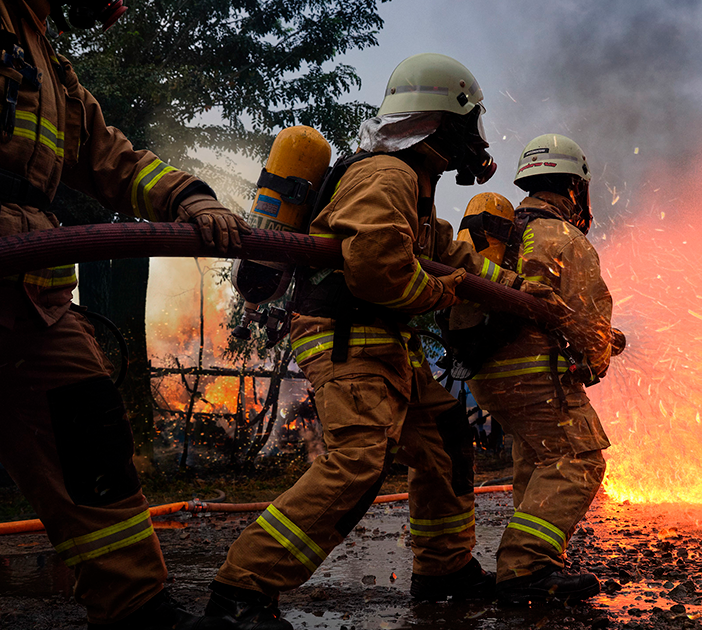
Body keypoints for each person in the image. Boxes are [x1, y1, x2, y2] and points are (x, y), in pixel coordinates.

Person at [0, 1, 248, 628]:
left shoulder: (38, 51)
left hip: (30, 301)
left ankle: (137, 607)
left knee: (93, 449)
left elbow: (109, 156)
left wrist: (188, 195)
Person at [204, 53, 562, 627]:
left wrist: (522, 290)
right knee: (358, 463)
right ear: (443, 122)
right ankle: (242, 590)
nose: (474, 139)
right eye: (468, 123)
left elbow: (454, 255)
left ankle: (443, 569)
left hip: (383, 338)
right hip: (347, 336)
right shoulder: (385, 175)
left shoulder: (412, 183)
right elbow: (377, 269)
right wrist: (445, 293)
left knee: (444, 434)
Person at [465, 133, 614, 605]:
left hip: (487, 371)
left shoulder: (501, 231)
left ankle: (530, 561)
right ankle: (526, 569)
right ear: (574, 187)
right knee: (579, 457)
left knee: (539, 457)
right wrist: (595, 362)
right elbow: (591, 323)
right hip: (537, 375)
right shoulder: (565, 239)